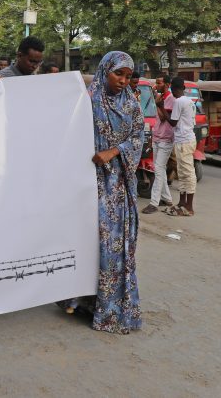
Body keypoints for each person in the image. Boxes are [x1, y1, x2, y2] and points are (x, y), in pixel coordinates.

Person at [58, 51, 143, 334]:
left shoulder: (131, 104)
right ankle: (77, 301)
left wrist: (114, 151)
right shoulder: (87, 101)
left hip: (119, 186)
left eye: (128, 76)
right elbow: (63, 128)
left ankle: (108, 306)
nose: (123, 81)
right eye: (118, 73)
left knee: (114, 246)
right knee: (86, 241)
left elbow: (139, 137)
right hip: (88, 183)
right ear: (105, 71)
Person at [142, 75, 174, 214]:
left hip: (166, 139)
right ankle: (167, 199)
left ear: (166, 84)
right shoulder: (161, 97)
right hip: (157, 137)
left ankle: (154, 203)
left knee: (159, 170)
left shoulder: (170, 99)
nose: (157, 85)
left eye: (159, 83)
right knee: (159, 169)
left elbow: (163, 117)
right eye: (156, 82)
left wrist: (158, 102)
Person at [166, 77, 197, 216]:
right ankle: (182, 203)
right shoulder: (190, 101)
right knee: (182, 173)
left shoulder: (179, 101)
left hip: (184, 141)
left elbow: (173, 122)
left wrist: (161, 108)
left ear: (173, 89)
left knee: (187, 174)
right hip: (186, 139)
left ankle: (189, 207)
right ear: (183, 88)